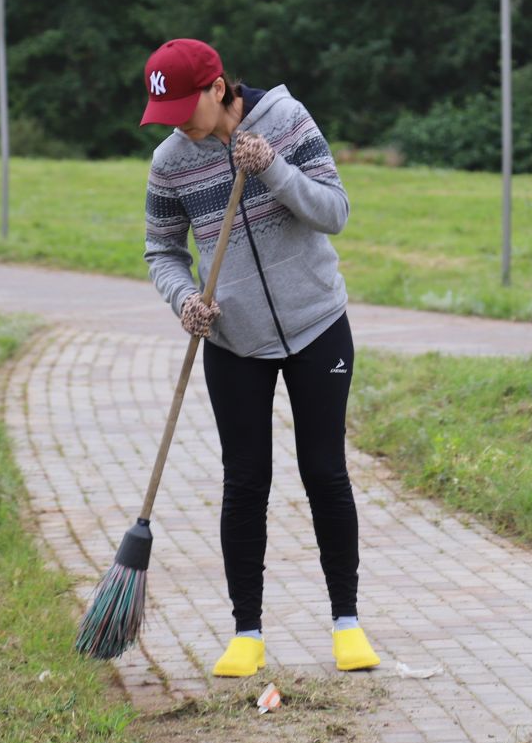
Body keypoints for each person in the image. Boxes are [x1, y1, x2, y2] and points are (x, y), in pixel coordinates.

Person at [138, 37, 380, 679]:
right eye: (166, 116)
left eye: (185, 110)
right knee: (245, 482)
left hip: (317, 325)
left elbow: (335, 212)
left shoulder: (288, 120)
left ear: (218, 89)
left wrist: (272, 165)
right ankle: (247, 633)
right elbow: (161, 250)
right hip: (233, 342)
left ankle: (347, 624)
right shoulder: (170, 162)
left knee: (324, 470)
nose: (176, 128)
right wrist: (185, 298)